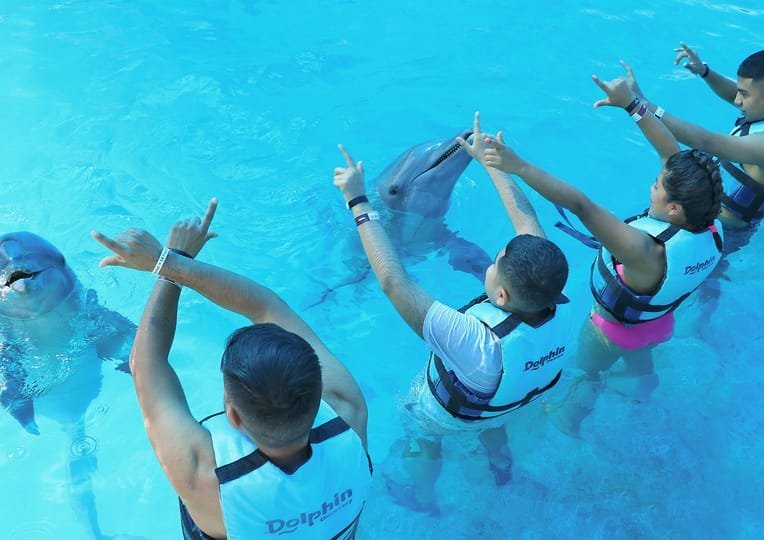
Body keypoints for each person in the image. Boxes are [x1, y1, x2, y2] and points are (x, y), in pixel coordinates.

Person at [333, 113, 573, 514]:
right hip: (509, 398)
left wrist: (358, 202)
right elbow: (526, 220)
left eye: (495, 263)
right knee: (494, 421)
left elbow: (394, 282)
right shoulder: (551, 289)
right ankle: (501, 468)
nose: (490, 263)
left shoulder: (474, 342)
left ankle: (421, 495)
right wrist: (489, 161)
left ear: (500, 294)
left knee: (422, 436)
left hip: (449, 415)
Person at [91, 199, 372, 540]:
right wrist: (168, 261)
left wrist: (172, 262)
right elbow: (266, 306)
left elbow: (144, 361)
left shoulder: (206, 477)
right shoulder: (349, 411)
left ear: (233, 415)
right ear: (319, 396)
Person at [476, 69, 725, 437]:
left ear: (674, 209)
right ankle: (642, 385)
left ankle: (570, 420)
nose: (652, 187)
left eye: (657, 186)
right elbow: (670, 153)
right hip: (658, 323)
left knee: (587, 375)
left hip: (612, 331)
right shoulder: (709, 223)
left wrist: (519, 167)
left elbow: (581, 205)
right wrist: (632, 105)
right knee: (638, 356)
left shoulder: (643, 250)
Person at [633, 44, 764, 251]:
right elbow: (739, 96)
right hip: (705, 215)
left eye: (744, 94)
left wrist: (642, 105)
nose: (737, 100)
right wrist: (705, 72)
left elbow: (705, 141)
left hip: (720, 233)